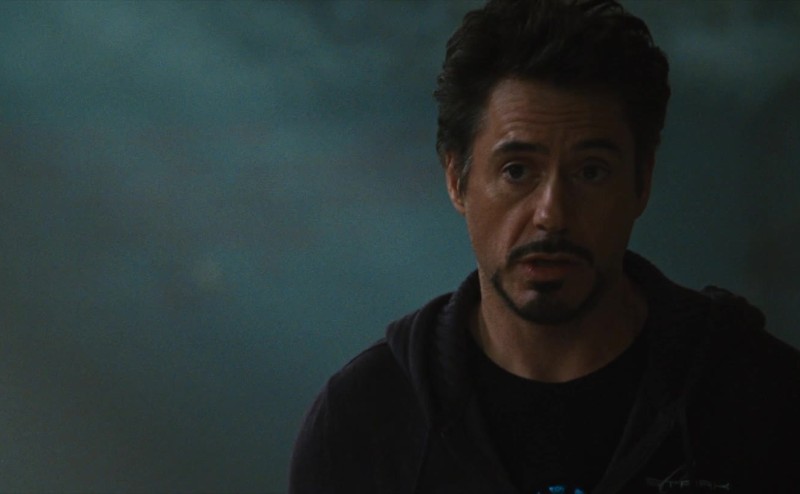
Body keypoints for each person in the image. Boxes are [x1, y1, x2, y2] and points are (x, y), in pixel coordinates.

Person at [289, 0, 800, 492]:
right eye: (517, 171)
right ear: (456, 179)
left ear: (641, 182)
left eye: (591, 172)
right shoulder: (365, 423)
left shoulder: (764, 400)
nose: (551, 214)